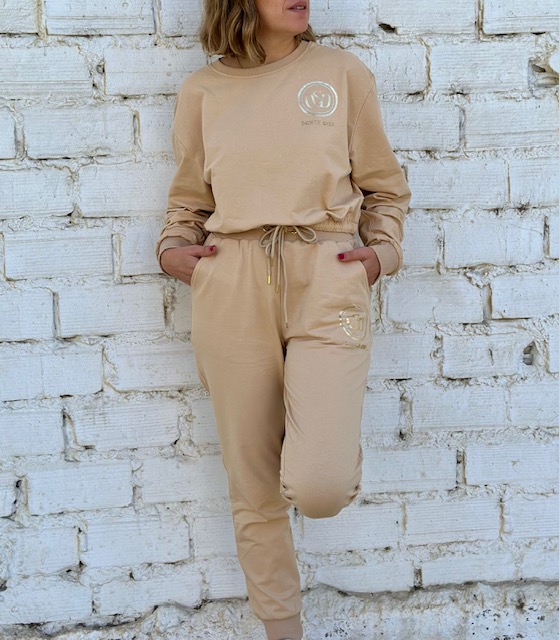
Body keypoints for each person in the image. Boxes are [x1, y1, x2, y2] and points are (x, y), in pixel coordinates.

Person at [155, 0, 411, 637]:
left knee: (320, 484)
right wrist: (172, 249)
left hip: (327, 274)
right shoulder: (203, 90)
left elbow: (385, 185)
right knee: (253, 486)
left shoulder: (341, 73)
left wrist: (380, 254)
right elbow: (188, 199)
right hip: (231, 281)